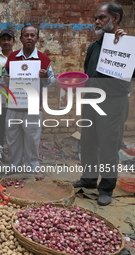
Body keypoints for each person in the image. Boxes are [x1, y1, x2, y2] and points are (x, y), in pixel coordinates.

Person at [71, 2, 134, 206]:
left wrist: (124, 47)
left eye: (102, 18)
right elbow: (87, 74)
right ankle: (88, 179)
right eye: (96, 18)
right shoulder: (94, 47)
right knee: (88, 142)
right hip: (90, 101)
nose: (96, 22)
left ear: (115, 19)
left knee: (108, 146)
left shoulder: (127, 47)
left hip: (113, 104)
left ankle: (106, 187)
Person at [4, 25, 55, 172]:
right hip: (13, 106)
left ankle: (32, 168)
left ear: (37, 39)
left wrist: (45, 78)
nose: (29, 38)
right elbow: (2, 80)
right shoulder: (12, 58)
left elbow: (51, 83)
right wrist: (5, 79)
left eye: (32, 35)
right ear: (21, 38)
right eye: (26, 35)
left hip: (33, 107)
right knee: (13, 139)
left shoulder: (44, 59)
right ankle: (14, 168)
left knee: (32, 140)